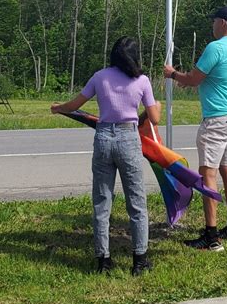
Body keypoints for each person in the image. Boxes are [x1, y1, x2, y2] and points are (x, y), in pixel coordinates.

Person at [51, 36, 161, 275]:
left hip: (103, 138)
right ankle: (139, 260)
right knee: (136, 203)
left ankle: (103, 260)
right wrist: (157, 107)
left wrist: (59, 107)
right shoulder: (142, 80)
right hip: (128, 139)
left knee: (102, 201)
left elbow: (76, 104)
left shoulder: (99, 77)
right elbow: (154, 118)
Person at [164, 6, 227, 252]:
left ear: (222, 23)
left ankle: (211, 236)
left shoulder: (216, 48)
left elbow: (193, 79)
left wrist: (173, 74)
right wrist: (187, 79)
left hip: (216, 119)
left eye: (214, 22)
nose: (212, 26)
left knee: (208, 175)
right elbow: (213, 78)